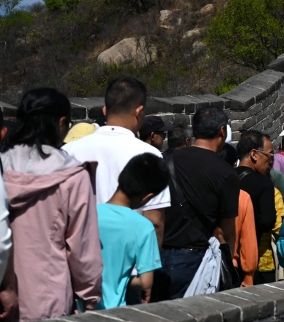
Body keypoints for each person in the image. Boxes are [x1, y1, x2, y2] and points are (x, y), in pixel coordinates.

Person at [2, 88, 102, 319]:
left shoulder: (2, 166)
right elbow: (83, 249)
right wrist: (90, 297)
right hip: (48, 296)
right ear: (62, 123)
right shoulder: (72, 176)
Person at [64, 77, 171, 245]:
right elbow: (154, 220)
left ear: (105, 111)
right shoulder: (149, 155)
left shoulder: (68, 151)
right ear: (139, 111)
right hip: (131, 262)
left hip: (78, 258)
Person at [156, 106, 238, 300]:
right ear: (222, 131)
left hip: (158, 256)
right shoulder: (226, 173)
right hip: (195, 259)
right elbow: (227, 232)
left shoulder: (163, 160)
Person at [97, 154, 168, 309]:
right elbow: (145, 282)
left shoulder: (88, 214)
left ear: (121, 176)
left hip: (77, 310)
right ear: (148, 196)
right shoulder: (144, 227)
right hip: (113, 311)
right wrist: (118, 278)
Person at [235, 130, 278, 284]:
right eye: (270, 154)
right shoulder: (263, 183)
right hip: (252, 256)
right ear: (254, 154)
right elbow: (267, 221)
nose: (271, 160)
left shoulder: (225, 176)